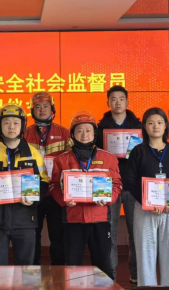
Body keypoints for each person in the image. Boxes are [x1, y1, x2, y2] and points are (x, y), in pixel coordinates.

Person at [126, 108, 169, 290]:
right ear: (145, 127)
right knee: (145, 259)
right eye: (151, 123)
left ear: (165, 126)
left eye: (159, 122)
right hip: (145, 211)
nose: (155, 126)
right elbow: (130, 181)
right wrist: (147, 202)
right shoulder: (138, 152)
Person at [0, 105, 49, 266]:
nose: (11, 127)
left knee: (26, 268)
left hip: (25, 219)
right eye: (6, 122)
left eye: (16, 123)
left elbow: (44, 181)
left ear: (22, 126)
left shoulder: (33, 153)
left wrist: (34, 199)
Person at [51, 111, 122, 277]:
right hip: (73, 219)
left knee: (103, 266)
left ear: (94, 133)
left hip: (100, 219)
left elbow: (117, 185)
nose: (84, 135)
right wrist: (63, 200)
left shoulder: (109, 158)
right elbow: (53, 186)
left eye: (88, 130)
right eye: (80, 131)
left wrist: (108, 198)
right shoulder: (61, 160)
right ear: (72, 134)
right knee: (73, 266)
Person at [96, 85, 141, 282]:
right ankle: (110, 274)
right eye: (113, 99)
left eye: (121, 99)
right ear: (108, 103)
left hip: (133, 186)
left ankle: (136, 274)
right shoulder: (99, 129)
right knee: (110, 232)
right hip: (109, 185)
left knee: (136, 232)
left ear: (127, 102)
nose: (117, 102)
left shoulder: (139, 127)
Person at [24, 91, 71, 266]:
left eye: (45, 106)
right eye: (37, 107)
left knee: (58, 235)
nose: (42, 110)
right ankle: (32, 271)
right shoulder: (24, 133)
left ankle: (59, 270)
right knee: (32, 235)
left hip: (56, 192)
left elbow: (70, 161)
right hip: (33, 192)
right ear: (32, 111)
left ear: (52, 109)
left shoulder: (64, 132)